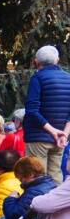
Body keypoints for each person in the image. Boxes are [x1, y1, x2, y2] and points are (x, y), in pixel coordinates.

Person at [24, 45, 70, 182]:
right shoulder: (68, 79)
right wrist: (64, 134)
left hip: (38, 138)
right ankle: (59, 204)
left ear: (36, 61)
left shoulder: (37, 78)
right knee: (55, 176)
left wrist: (52, 131)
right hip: (60, 139)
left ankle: (38, 204)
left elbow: (32, 110)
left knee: (37, 177)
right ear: (57, 60)